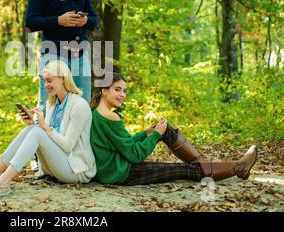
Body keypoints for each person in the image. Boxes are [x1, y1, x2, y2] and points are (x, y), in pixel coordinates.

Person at [89, 72, 258, 186]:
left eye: (125, 91)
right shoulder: (111, 117)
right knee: (184, 170)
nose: (122, 95)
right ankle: (238, 167)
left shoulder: (97, 113)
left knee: (165, 130)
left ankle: (208, 165)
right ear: (104, 90)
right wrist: (155, 135)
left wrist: (146, 132)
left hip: (116, 169)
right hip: (123, 173)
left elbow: (122, 144)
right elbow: (134, 154)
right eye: (117, 90)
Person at [0, 60, 96, 201]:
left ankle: (2, 182)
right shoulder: (52, 103)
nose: (46, 85)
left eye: (49, 80)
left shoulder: (79, 105)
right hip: (56, 166)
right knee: (33, 129)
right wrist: (32, 124)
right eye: (45, 81)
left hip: (75, 170)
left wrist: (44, 127)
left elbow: (67, 146)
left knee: (37, 131)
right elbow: (48, 137)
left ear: (63, 79)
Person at [25, 0, 98, 114]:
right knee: (47, 105)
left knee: (83, 105)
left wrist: (85, 21)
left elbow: (94, 20)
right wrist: (59, 20)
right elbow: (30, 23)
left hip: (80, 55)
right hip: (53, 54)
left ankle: (77, 141)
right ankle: (41, 139)